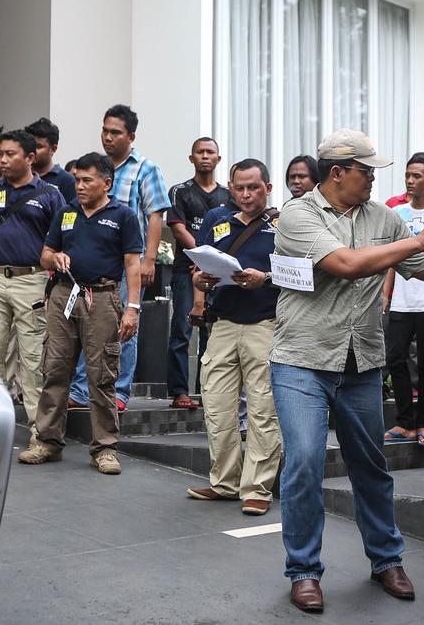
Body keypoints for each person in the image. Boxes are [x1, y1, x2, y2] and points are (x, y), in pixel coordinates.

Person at [270, 129, 424, 613]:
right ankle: (304, 571)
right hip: (302, 360)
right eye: (365, 171)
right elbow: (346, 263)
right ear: (337, 173)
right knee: (305, 462)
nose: (373, 179)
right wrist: (417, 240)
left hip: (361, 360)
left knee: (371, 465)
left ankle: (386, 559)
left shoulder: (383, 217)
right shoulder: (298, 214)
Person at [19, 152, 142, 475]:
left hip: (102, 297)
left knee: (102, 375)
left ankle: (105, 448)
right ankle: (47, 441)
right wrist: (54, 258)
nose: (80, 186)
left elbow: (133, 264)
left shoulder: (123, 215)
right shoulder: (66, 213)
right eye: (77, 180)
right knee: (55, 368)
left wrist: (132, 309)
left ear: (107, 183)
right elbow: (45, 254)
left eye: (87, 180)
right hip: (63, 295)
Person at [186, 158, 280, 515]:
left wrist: (264, 278)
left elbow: (298, 274)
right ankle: (224, 482)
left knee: (262, 409)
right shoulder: (217, 220)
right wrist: (199, 281)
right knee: (217, 406)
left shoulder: (282, 223)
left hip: (265, 324)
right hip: (223, 323)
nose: (246, 194)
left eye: (253, 187)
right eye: (239, 187)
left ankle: (257, 488)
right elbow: (199, 268)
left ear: (267, 188)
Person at [0, 130, 66, 437]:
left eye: (10, 154)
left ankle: (40, 434)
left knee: (33, 359)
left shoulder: (50, 195)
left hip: (32, 281)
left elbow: (61, 241)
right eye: (0, 154)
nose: (2, 160)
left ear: (30, 158)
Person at [69, 105, 169, 412]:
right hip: (94, 263)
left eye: (115, 132)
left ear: (131, 136)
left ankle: (119, 391)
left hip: (129, 262)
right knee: (86, 325)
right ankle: (81, 390)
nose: (108, 137)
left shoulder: (145, 169)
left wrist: (149, 260)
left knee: (124, 324)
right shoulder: (95, 169)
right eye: (105, 130)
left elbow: (155, 216)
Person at [381, 153, 424, 448]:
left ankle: (423, 423)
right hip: (401, 301)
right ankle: (404, 422)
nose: (409, 180)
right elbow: (392, 258)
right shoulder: (397, 213)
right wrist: (386, 293)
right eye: (407, 175)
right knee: (395, 359)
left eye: (416, 176)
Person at [166, 137, 229, 409]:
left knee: (210, 333)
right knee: (182, 330)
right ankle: (179, 391)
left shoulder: (227, 195)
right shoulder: (179, 191)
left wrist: (209, 262)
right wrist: (201, 256)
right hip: (185, 269)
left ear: (218, 159)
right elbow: (178, 229)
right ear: (191, 158)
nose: (205, 156)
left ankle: (206, 391)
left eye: (210, 152)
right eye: (199, 152)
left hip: (217, 274)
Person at [25, 117, 77, 202]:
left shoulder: (66, 180)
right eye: (30, 145)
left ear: (53, 149)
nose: (32, 151)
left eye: (38, 147)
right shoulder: (19, 175)